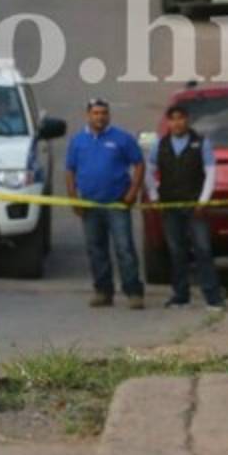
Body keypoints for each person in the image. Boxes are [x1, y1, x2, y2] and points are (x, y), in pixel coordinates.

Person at [65, 98, 146, 309]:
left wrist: (132, 192)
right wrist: (73, 198)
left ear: (108, 115)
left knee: (124, 248)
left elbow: (139, 164)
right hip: (90, 205)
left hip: (117, 204)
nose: (100, 117)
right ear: (88, 115)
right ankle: (103, 291)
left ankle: (134, 292)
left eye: (103, 113)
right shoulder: (78, 141)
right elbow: (70, 170)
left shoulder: (122, 138)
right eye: (96, 113)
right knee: (96, 249)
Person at [146, 106, 224, 311]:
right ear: (168, 122)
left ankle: (213, 298)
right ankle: (181, 296)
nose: (177, 123)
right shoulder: (160, 145)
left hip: (194, 205)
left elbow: (211, 173)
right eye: (173, 119)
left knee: (203, 250)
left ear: (187, 120)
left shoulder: (201, 143)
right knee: (176, 251)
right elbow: (149, 171)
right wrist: (154, 197)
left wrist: (203, 201)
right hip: (170, 206)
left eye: (181, 119)